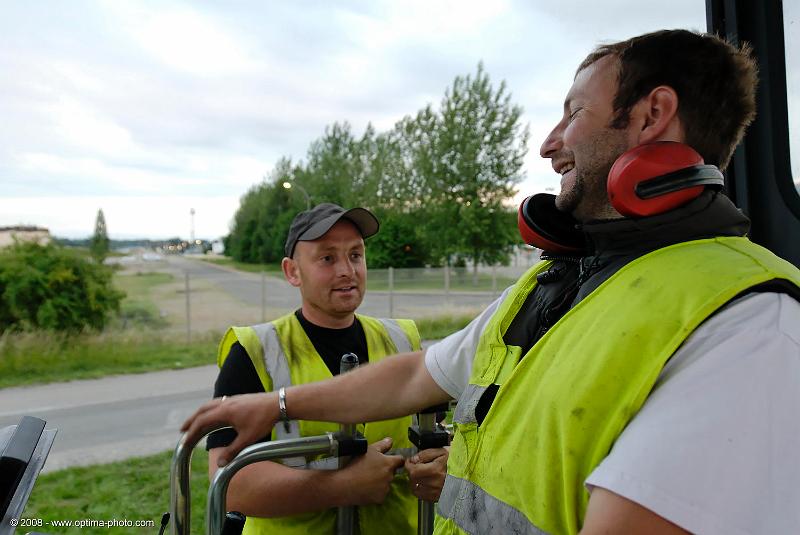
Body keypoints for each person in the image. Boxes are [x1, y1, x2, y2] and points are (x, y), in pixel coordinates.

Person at [185, 30, 800, 534]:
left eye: (574, 113)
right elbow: (416, 375)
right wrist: (277, 403)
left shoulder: (750, 323)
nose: (549, 144)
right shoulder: (557, 285)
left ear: (652, 115)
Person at [205, 202, 423, 535]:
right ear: (292, 271)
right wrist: (342, 485)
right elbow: (230, 483)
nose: (347, 271)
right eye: (327, 258)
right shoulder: (254, 351)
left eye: (355, 255)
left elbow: (434, 438)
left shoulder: (403, 340)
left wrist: (441, 465)